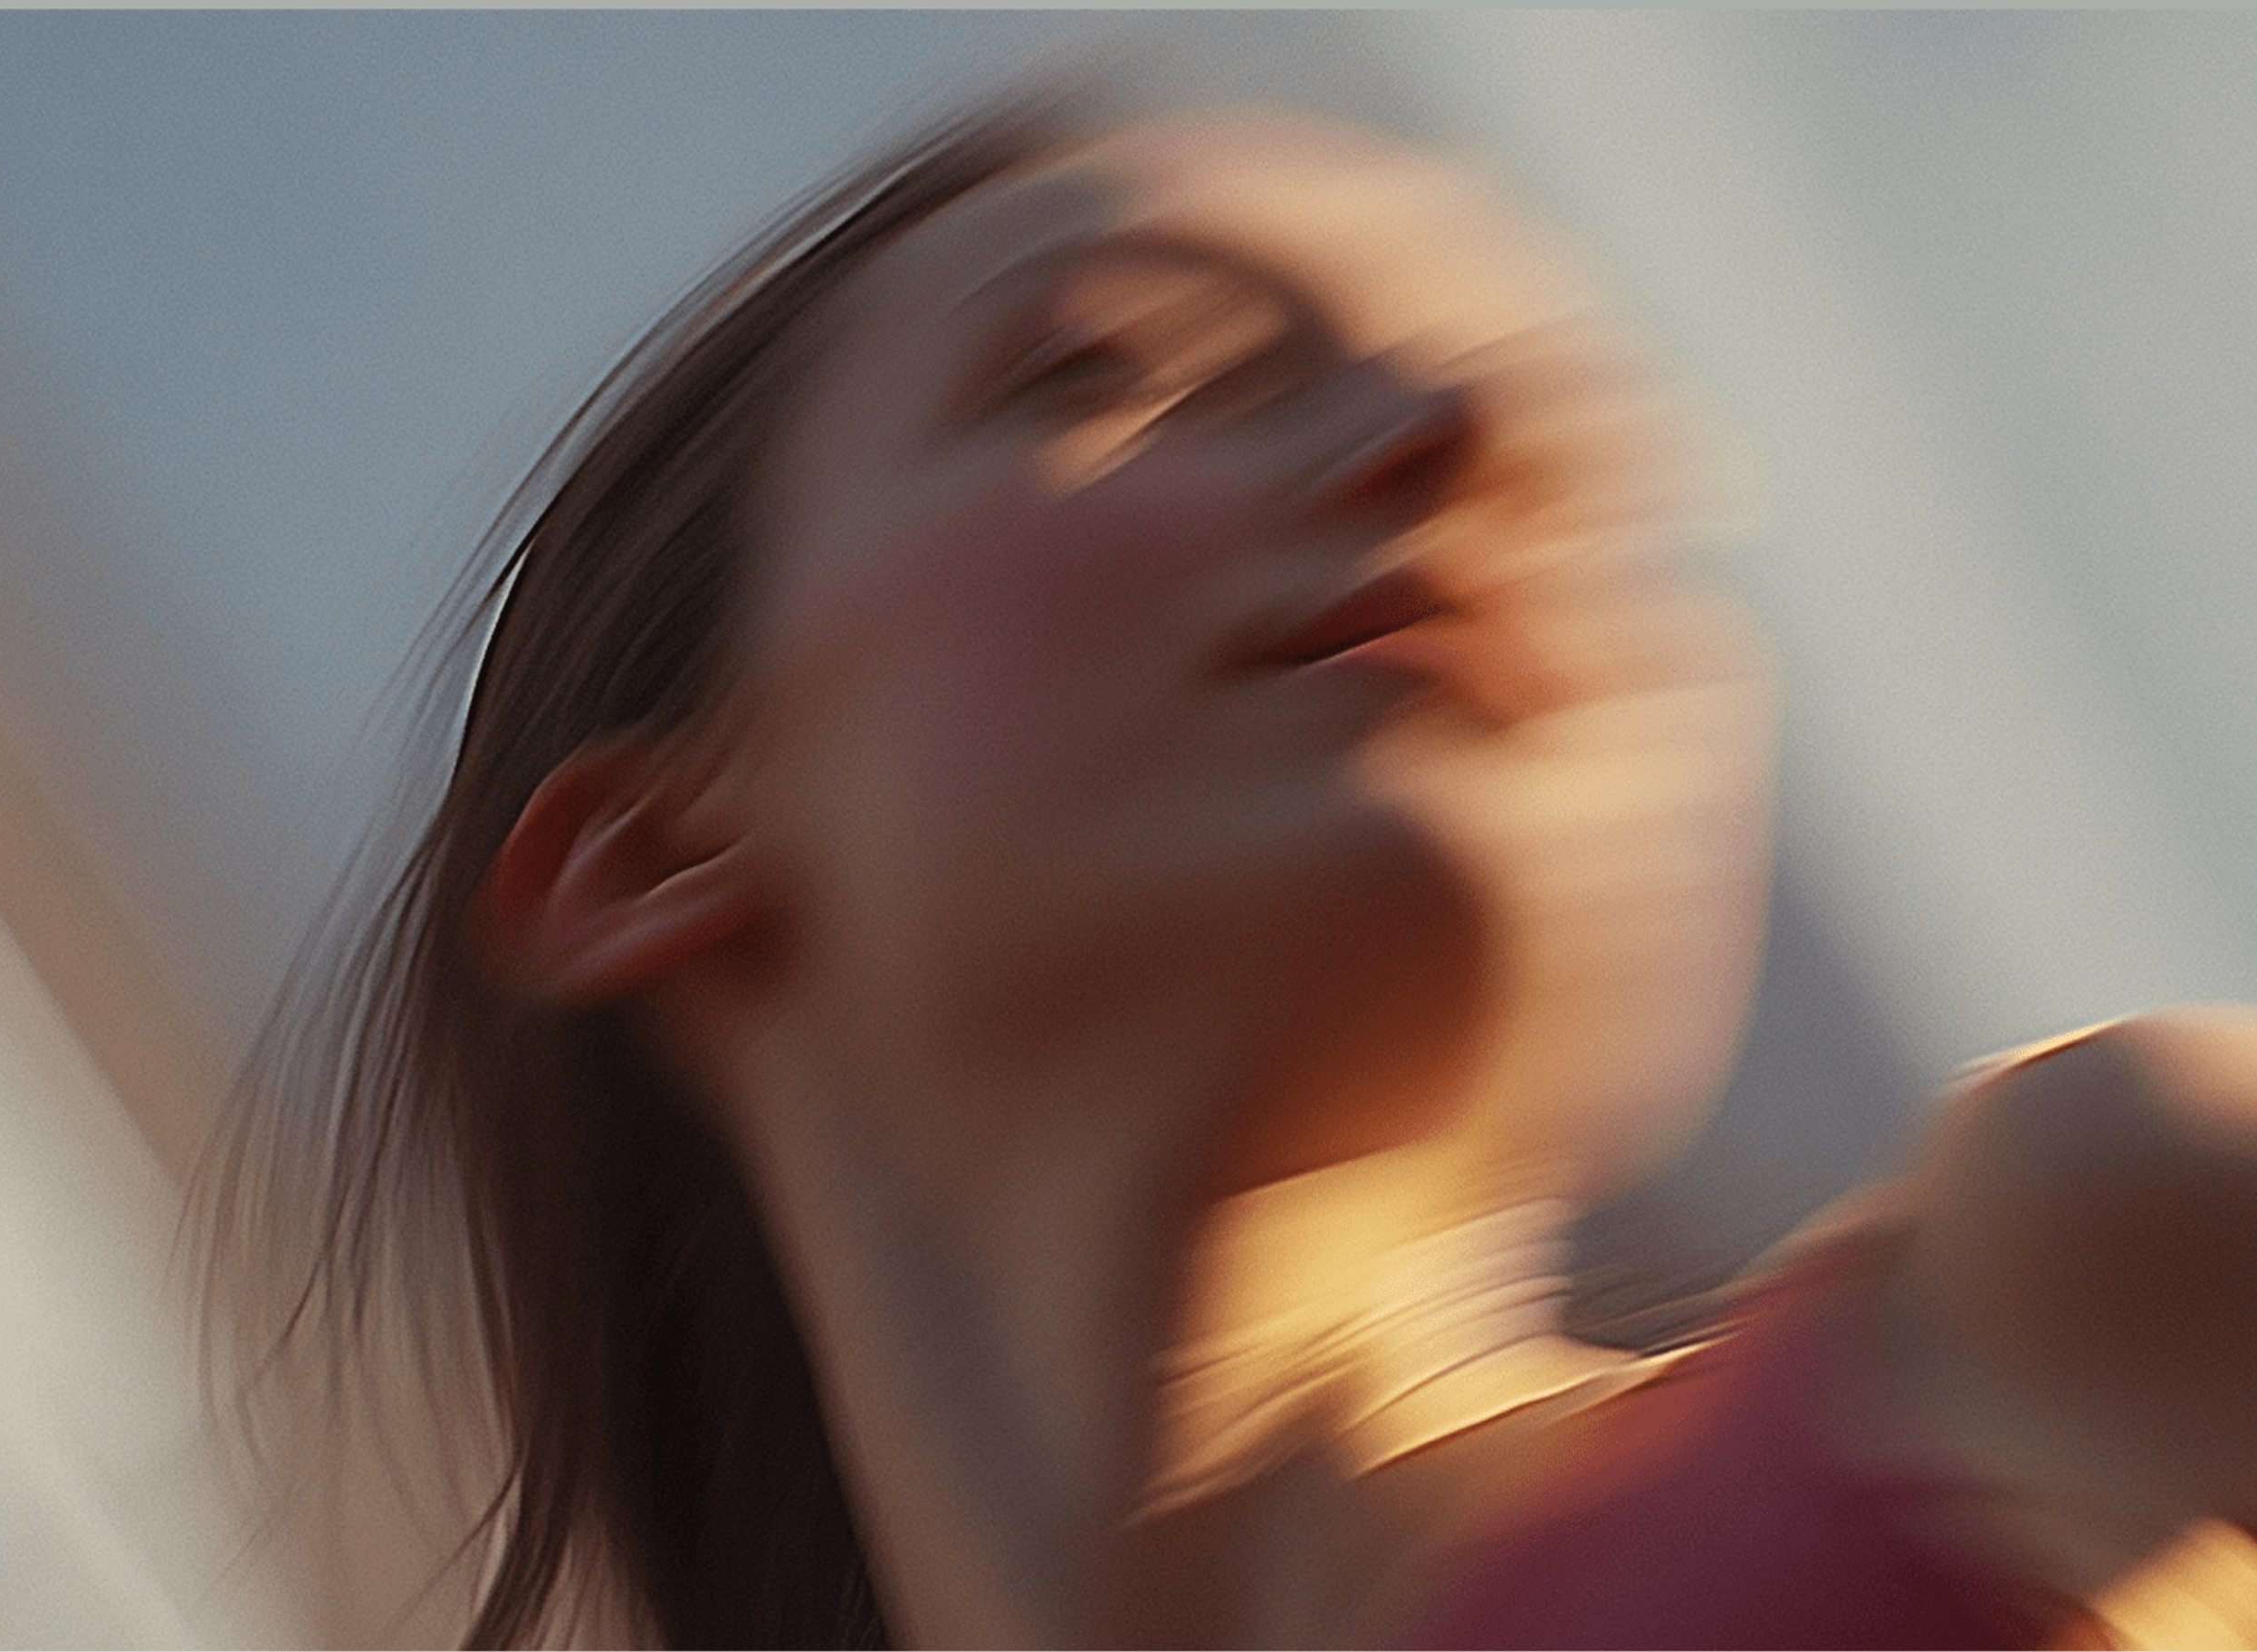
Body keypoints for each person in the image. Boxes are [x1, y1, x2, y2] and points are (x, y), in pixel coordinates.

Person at [204, 86, 2257, 1650]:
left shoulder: (2107, 1279)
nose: (1448, 434)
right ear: (652, 848)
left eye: (1582, 474)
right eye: (1117, 366)